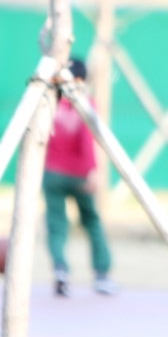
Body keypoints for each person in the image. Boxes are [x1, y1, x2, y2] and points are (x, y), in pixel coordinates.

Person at [43, 57, 116, 297]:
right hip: (79, 173)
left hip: (52, 172)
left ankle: (60, 269)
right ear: (81, 80)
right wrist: (93, 170)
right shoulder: (85, 103)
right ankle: (102, 274)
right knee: (92, 221)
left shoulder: (49, 103)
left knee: (56, 224)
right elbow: (87, 139)